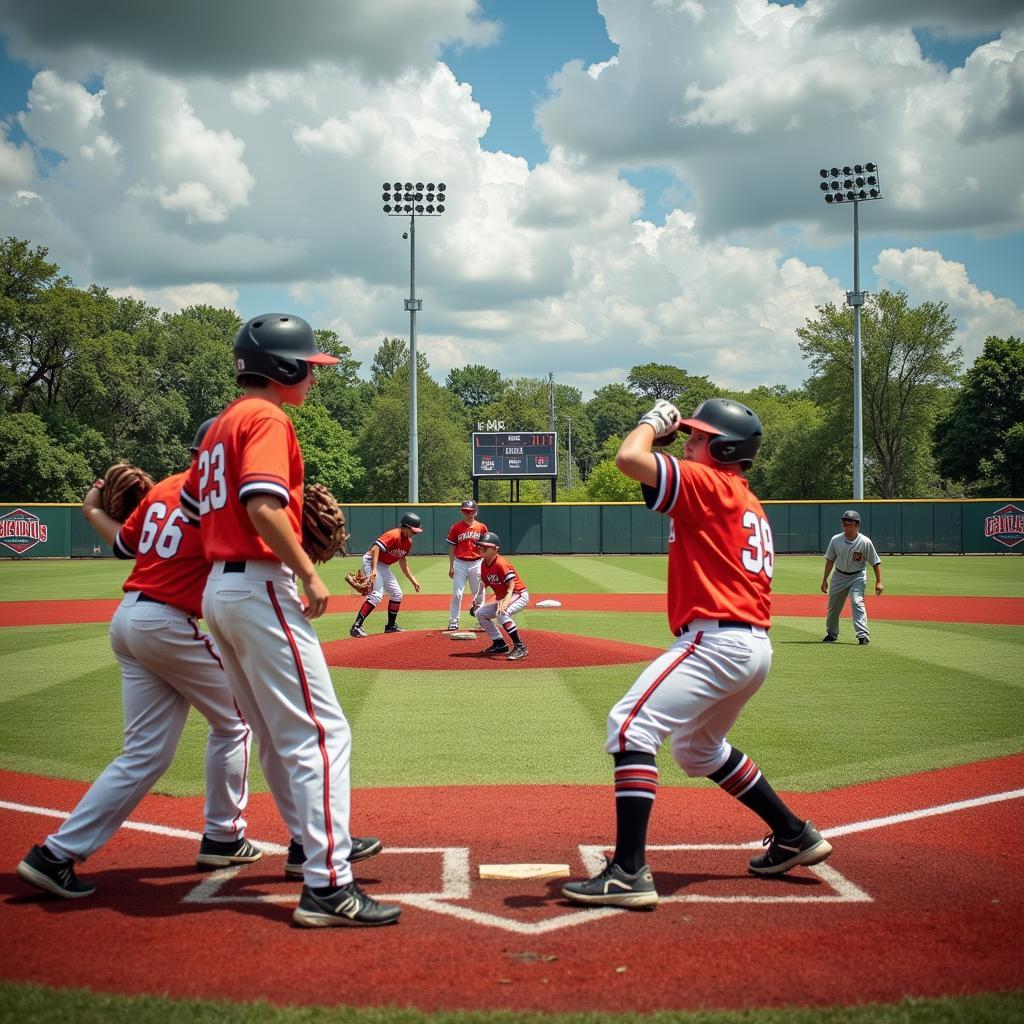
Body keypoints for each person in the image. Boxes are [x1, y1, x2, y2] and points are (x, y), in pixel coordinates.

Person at [562, 398, 833, 909]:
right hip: (751, 646)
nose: (687, 443)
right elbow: (651, 479)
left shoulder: (711, 484)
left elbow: (628, 459)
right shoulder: (742, 497)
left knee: (629, 727)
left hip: (715, 640)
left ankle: (627, 872)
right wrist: (667, 442)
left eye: (698, 438)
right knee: (698, 751)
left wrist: (649, 423)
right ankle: (794, 833)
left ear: (725, 447)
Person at [180, 313, 400, 928]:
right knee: (324, 735)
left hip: (222, 592)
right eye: (308, 364)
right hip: (260, 584)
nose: (313, 375)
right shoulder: (269, 417)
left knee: (279, 735)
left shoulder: (223, 423)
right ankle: (329, 886)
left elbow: (197, 508)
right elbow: (261, 502)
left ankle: (309, 847)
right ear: (284, 367)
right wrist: (306, 568)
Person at [16, 420, 260, 900]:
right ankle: (223, 835)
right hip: (166, 625)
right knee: (235, 721)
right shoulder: (217, 499)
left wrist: (89, 509)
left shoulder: (166, 488)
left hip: (129, 620)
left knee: (144, 753)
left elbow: (124, 545)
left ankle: (56, 855)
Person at [349, 514, 423, 637]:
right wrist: (373, 570)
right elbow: (375, 549)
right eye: (413, 531)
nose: (415, 534)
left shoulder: (408, 542)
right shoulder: (394, 535)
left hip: (384, 566)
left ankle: (390, 626)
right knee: (376, 595)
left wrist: (413, 580)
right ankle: (356, 627)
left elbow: (403, 561)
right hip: (371, 561)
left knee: (397, 594)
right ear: (405, 527)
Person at [821, 509, 883, 645]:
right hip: (839, 575)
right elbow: (830, 560)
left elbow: (875, 562)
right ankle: (832, 633)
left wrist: (879, 581)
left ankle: (862, 635)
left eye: (848, 521)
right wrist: (825, 579)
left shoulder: (865, 542)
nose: (845, 523)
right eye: (843, 521)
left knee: (857, 602)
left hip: (857, 576)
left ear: (856, 524)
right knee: (833, 607)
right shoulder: (836, 540)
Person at [473, 532, 530, 661]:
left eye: (485, 547)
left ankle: (520, 646)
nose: (481, 549)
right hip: (505, 597)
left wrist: (505, 601)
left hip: (518, 594)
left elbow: (511, 585)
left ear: (495, 549)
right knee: (480, 613)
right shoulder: (484, 564)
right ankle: (499, 643)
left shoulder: (501, 563)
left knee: (501, 613)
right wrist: (476, 601)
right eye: (480, 546)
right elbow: (483, 585)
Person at [445, 499, 488, 631]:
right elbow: (451, 547)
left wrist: (486, 563)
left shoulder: (481, 527)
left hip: (477, 562)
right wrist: (451, 565)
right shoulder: (456, 527)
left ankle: (482, 620)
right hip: (460, 563)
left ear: (475, 512)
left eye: (470, 511)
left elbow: (486, 547)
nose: (467, 513)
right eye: (465, 511)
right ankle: (453, 620)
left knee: (479, 592)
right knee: (457, 593)